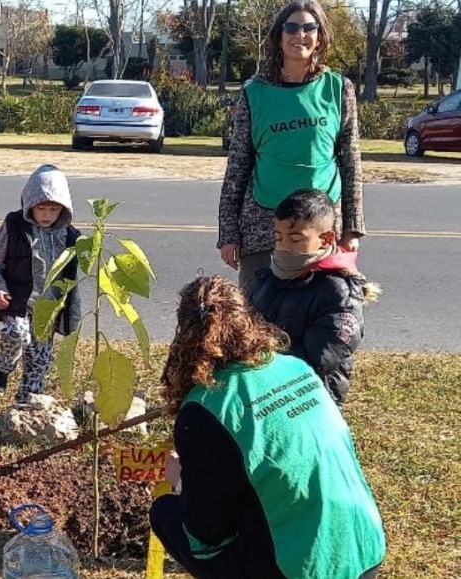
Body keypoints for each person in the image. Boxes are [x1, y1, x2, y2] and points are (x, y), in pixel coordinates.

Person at [150, 275, 386, 579]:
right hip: (365, 548)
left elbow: (208, 534)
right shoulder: (295, 366)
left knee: (165, 512)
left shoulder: (205, 407)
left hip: (303, 570)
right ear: (249, 320)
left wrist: (183, 483)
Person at [217, 0, 365, 295]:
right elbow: (238, 167)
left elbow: (350, 161)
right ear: (279, 36)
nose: (301, 35)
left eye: (310, 28)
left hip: (320, 228)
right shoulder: (254, 91)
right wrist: (228, 233)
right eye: (292, 27)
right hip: (263, 225)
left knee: (320, 314)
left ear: (320, 36)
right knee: (257, 321)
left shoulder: (338, 88)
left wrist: (352, 227)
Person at [252, 188, 380, 407]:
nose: (284, 247)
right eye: (278, 237)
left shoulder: (340, 292)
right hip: (262, 386)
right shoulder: (270, 276)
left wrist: (255, 359)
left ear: (326, 238)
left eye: (295, 239)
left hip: (310, 399)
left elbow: (318, 360)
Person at [0, 164, 81, 403]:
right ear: (30, 204)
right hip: (19, 301)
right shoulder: (14, 226)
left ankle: (27, 401)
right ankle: (2, 368)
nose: (47, 214)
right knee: (16, 331)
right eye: (41, 208)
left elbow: (74, 278)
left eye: (53, 208)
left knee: (40, 358)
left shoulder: (71, 236)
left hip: (48, 309)